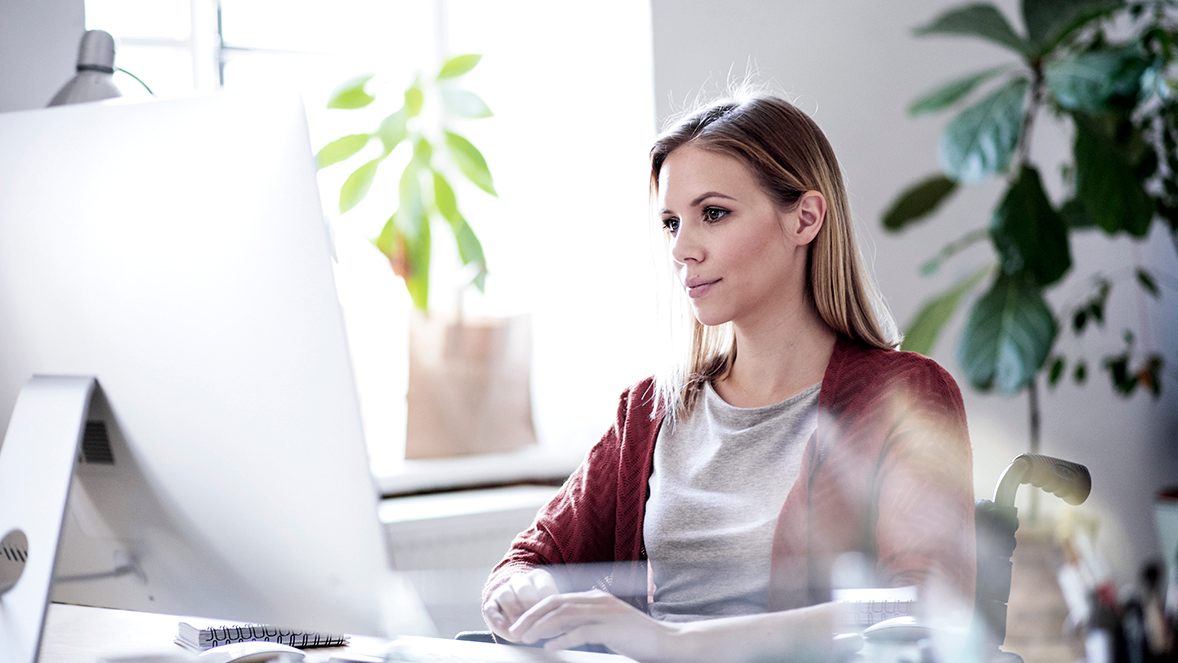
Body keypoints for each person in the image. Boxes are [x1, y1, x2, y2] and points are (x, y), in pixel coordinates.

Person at [480, 93, 976, 662]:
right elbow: (526, 562)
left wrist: (674, 643)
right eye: (671, 222)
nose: (682, 249)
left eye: (713, 213)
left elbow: (920, 604)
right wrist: (527, 594)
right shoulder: (649, 410)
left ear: (804, 218)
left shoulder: (902, 396)